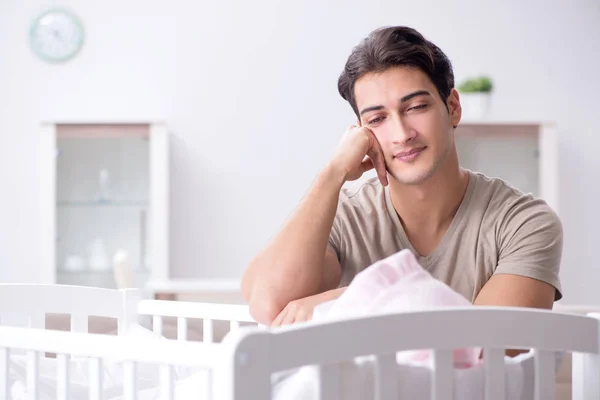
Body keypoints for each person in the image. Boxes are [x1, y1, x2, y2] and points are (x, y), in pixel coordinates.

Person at [241, 25, 562, 327]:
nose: (402, 134)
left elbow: (485, 345)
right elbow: (269, 305)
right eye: (377, 119)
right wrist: (333, 173)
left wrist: (362, 296)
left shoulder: (524, 223)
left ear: (452, 107)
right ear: (360, 133)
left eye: (416, 107)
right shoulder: (344, 217)